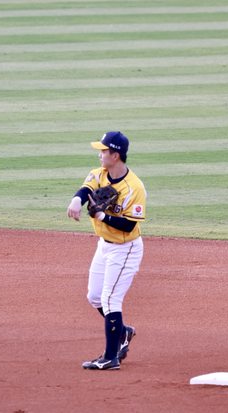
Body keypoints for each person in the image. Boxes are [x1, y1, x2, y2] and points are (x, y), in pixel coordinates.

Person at [67, 131, 147, 370]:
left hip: (126, 249)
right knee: (94, 296)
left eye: (103, 151)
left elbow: (129, 225)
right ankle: (123, 332)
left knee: (110, 300)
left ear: (115, 155)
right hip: (104, 246)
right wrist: (76, 201)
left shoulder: (134, 187)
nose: (100, 154)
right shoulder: (99, 173)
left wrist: (103, 216)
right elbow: (86, 189)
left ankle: (110, 358)